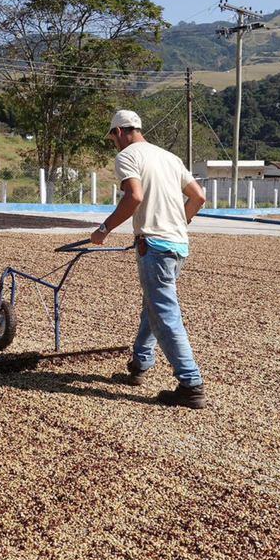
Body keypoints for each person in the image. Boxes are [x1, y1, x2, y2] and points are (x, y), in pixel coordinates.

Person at [90, 110, 207, 409]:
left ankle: (191, 384)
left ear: (118, 132)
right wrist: (178, 223)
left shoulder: (128, 156)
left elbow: (134, 196)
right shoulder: (168, 157)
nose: (114, 144)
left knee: (165, 313)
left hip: (153, 244)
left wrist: (104, 229)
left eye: (112, 138)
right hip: (178, 244)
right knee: (152, 305)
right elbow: (198, 197)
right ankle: (140, 364)